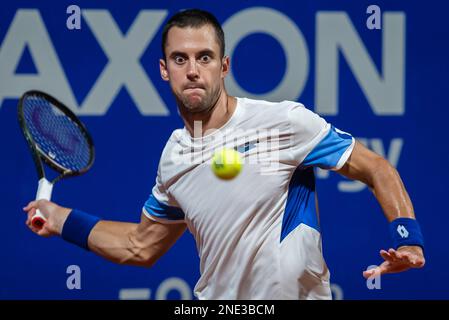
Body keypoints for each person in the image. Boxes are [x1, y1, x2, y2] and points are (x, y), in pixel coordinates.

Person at [23, 8, 425, 299]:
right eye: (180, 59)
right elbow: (140, 246)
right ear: (164, 70)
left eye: (205, 58)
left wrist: (408, 239)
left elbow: (375, 167)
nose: (193, 70)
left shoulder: (283, 122)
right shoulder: (173, 158)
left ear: (224, 66)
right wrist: (62, 220)